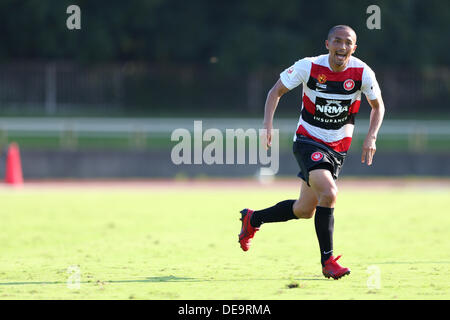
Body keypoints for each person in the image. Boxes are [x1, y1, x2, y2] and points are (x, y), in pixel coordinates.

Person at [238, 25, 385, 280]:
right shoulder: (309, 66)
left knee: (305, 209)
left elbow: (377, 106)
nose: (342, 47)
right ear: (327, 44)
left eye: (347, 43)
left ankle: (253, 219)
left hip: (337, 149)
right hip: (308, 141)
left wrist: (371, 136)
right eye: (337, 41)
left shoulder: (363, 72)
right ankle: (327, 261)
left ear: (354, 47)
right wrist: (267, 125)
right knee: (329, 193)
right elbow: (276, 91)